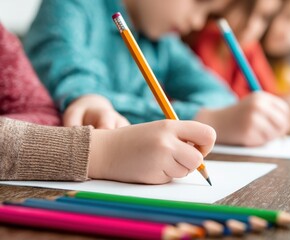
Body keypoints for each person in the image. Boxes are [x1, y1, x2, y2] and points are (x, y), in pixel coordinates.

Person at [25, 0, 290, 147]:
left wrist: (223, 116)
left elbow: (217, 93)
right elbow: (81, 95)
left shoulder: (161, 40)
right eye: (198, 3)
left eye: (208, 13)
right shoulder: (71, 5)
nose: (198, 22)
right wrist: (206, 119)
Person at [0, 23, 216, 184]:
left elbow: (42, 113)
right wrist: (102, 151)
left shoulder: (165, 40)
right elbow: (71, 80)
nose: (198, 22)